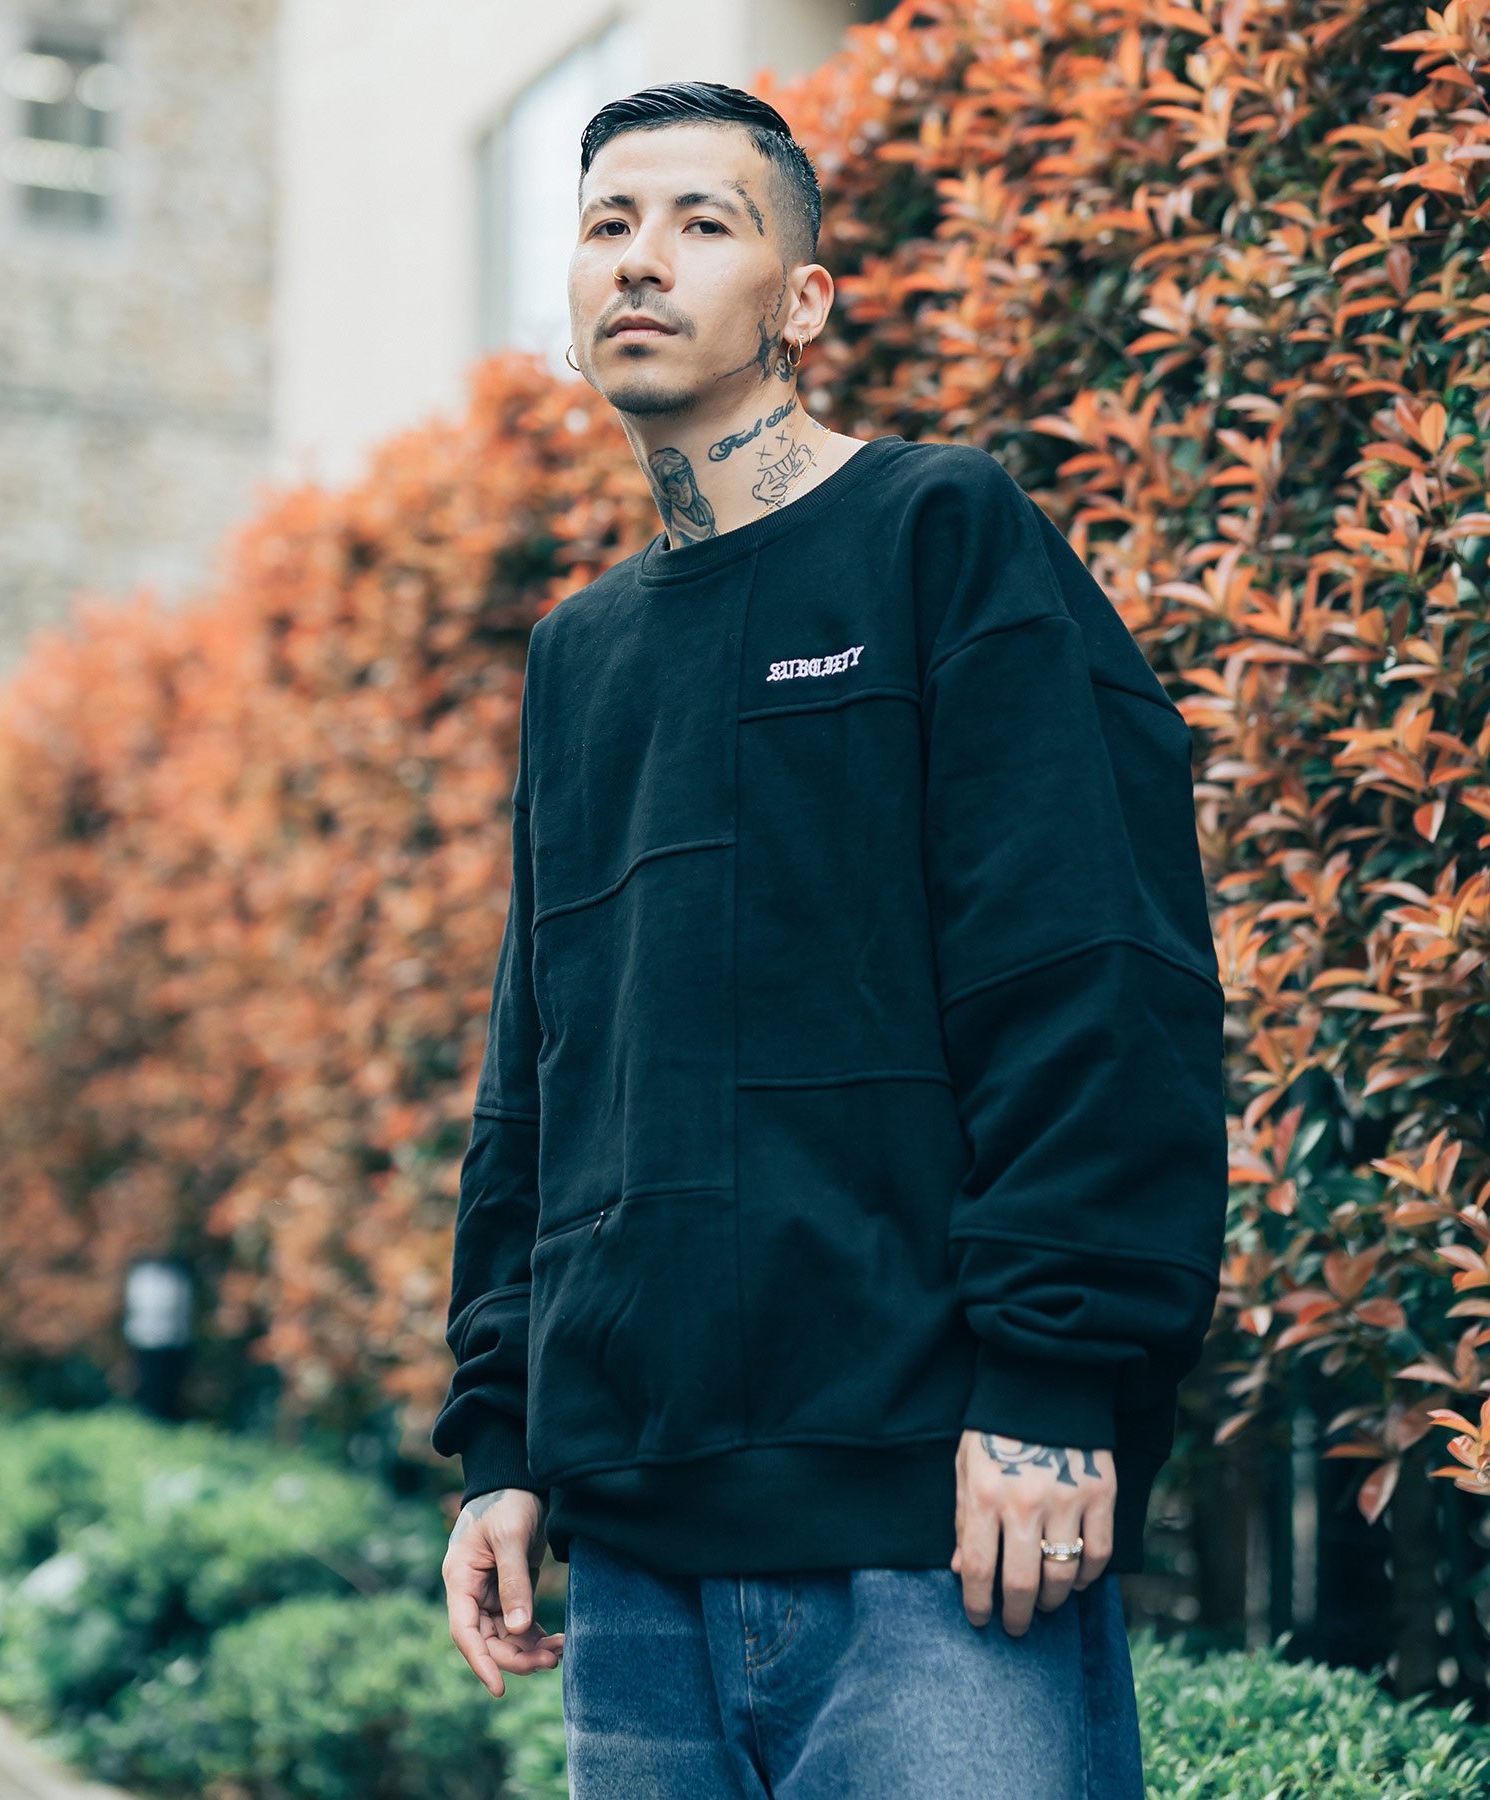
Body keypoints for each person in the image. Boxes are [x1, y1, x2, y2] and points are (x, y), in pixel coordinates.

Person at [433, 80, 1227, 1798]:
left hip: (935, 1527)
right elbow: (541, 1074)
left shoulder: (943, 532)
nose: (641, 260)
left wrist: (1052, 1381)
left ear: (803, 299)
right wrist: (502, 1441)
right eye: (607, 224)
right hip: (636, 1559)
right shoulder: (580, 655)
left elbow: (1092, 969)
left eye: (702, 222)